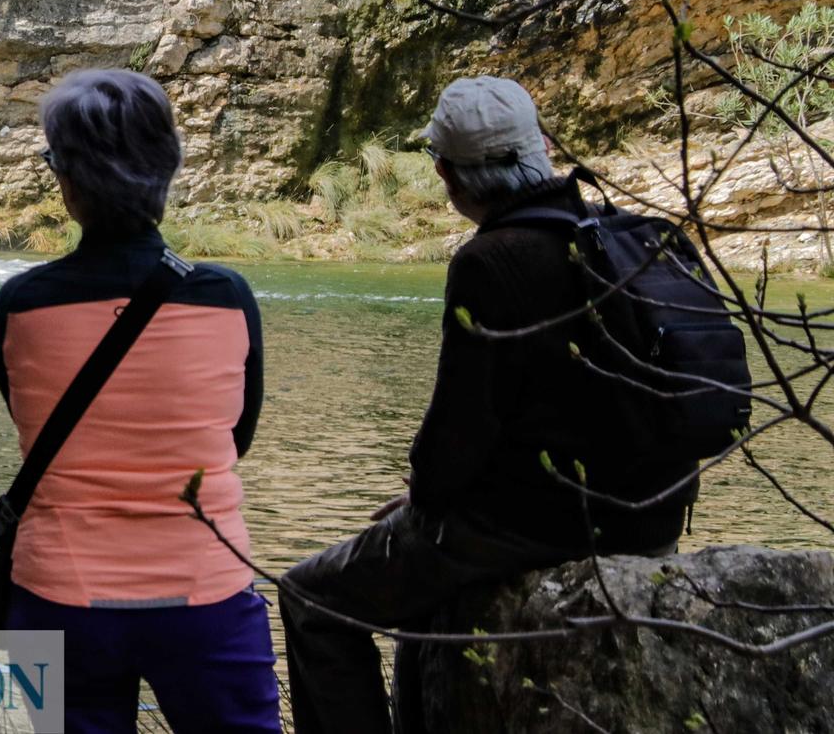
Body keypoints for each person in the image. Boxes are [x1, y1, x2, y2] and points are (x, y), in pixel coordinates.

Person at [278, 75, 698, 734]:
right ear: (541, 148)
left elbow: (453, 441)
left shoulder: (491, 261)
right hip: (653, 516)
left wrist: (424, 498)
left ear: (448, 174)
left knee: (311, 596)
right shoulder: (639, 238)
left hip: (538, 526)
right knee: (422, 564)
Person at [0, 69, 282, 734]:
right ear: (167, 169)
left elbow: (33, 428)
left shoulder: (22, 304)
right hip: (206, 589)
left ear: (65, 181)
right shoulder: (225, 296)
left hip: (61, 595)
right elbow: (234, 438)